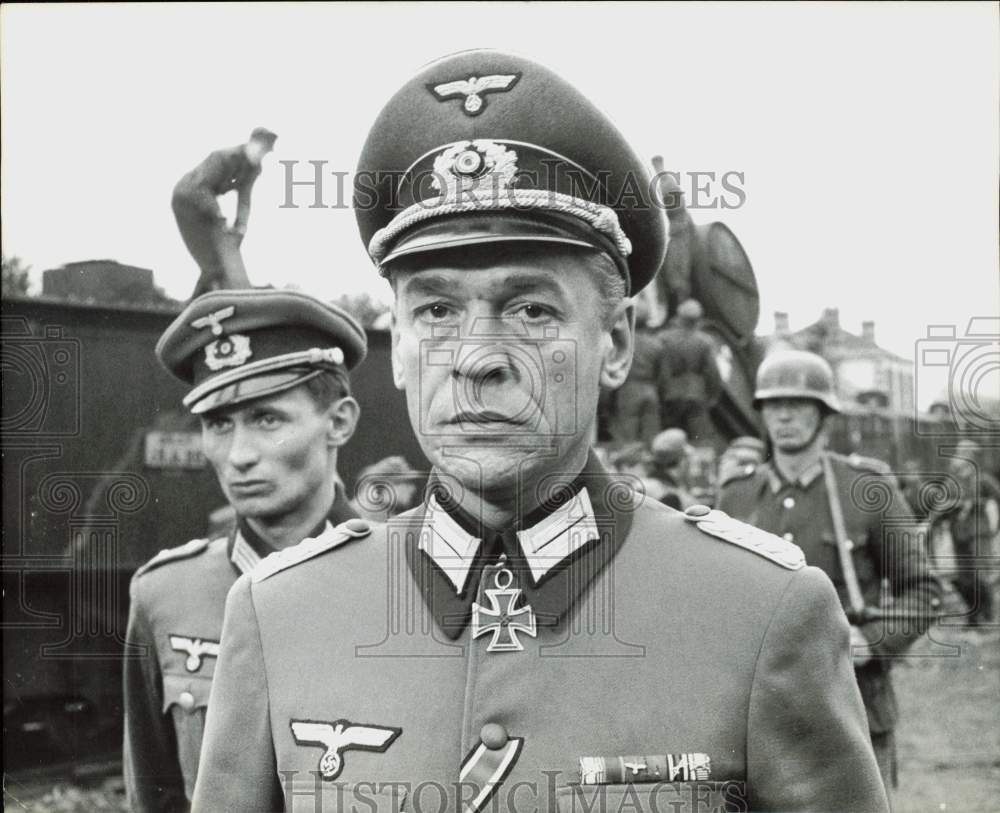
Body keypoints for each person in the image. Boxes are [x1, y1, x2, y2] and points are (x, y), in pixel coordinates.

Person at [194, 51, 888, 812]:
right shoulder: (279, 614)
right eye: (436, 311)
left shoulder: (762, 612)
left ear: (616, 344)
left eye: (532, 309)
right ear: (397, 345)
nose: (477, 359)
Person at [122, 288, 367, 812]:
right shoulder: (164, 595)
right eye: (218, 424)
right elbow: (154, 793)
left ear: (339, 422)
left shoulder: (410, 582)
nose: (238, 456)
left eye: (267, 419)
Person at [717, 349, 941, 798]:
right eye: (774, 406)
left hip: (853, 704)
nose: (785, 417)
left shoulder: (866, 489)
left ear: (823, 416)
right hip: (762, 718)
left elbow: (925, 592)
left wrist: (871, 641)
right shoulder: (737, 497)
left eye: (799, 405)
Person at [171, 127, 278, 299]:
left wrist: (241, 226)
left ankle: (210, 301)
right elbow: (201, 187)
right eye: (260, 149)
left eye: (265, 152)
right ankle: (196, 308)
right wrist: (220, 217)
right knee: (211, 264)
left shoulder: (254, 169)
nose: (261, 155)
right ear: (250, 143)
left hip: (206, 206)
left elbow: (245, 199)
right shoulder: (223, 157)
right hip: (186, 201)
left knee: (223, 262)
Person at [658, 298, 723, 444]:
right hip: (696, 394)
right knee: (700, 440)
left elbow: (661, 371)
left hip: (671, 394)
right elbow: (712, 373)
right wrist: (713, 396)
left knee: (670, 440)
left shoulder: (664, 339)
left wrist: (662, 394)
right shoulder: (705, 341)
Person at [608, 295, 666, 444]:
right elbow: (662, 374)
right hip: (650, 389)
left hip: (628, 390)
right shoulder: (656, 343)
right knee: (652, 437)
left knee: (627, 437)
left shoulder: (620, 343)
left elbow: (613, 369)